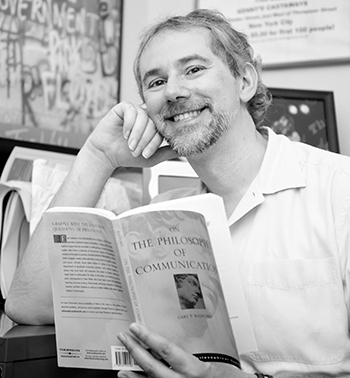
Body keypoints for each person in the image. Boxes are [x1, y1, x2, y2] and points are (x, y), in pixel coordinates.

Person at [5, 8, 350, 378]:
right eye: (155, 83)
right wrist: (98, 157)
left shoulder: (338, 191)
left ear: (245, 81)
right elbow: (28, 305)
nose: (172, 91)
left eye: (194, 69)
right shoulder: (159, 219)